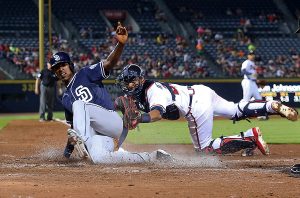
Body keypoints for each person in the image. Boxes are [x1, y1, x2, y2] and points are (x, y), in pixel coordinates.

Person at [50, 23, 171, 164]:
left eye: (62, 65)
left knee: (79, 104)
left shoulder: (84, 74)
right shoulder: (65, 98)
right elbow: (74, 128)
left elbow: (108, 63)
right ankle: (154, 157)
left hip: (112, 122)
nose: (60, 69)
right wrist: (66, 154)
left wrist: (120, 44)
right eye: (56, 68)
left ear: (70, 65)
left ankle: (84, 140)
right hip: (98, 134)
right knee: (99, 158)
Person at [115, 64, 298, 155]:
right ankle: (270, 106)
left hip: (195, 106)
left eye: (131, 81)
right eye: (126, 82)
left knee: (204, 150)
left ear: (140, 80)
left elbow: (156, 114)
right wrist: (118, 143)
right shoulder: (138, 94)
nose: (128, 85)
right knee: (235, 110)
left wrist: (140, 118)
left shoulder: (152, 91)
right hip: (202, 92)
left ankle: (250, 137)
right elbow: (125, 116)